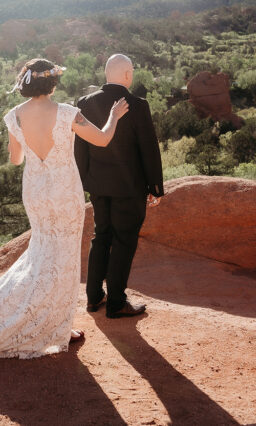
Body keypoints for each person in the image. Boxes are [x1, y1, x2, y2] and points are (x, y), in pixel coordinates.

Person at [0, 58, 129, 364]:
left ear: (27, 82)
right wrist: (114, 116)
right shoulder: (68, 113)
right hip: (64, 191)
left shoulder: (14, 116)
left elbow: (15, 159)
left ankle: (35, 322)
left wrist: (28, 141)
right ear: (52, 83)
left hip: (36, 191)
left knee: (42, 254)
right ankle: (57, 329)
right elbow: (104, 139)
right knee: (63, 259)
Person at [75, 53, 164, 318]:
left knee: (101, 236)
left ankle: (93, 298)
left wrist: (84, 181)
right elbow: (148, 149)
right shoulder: (137, 105)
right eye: (132, 71)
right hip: (130, 188)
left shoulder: (85, 102)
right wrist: (155, 187)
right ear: (127, 75)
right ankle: (115, 302)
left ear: (106, 74)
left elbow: (80, 147)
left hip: (98, 187)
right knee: (124, 241)